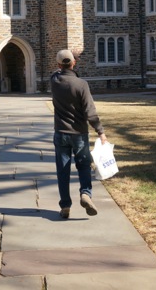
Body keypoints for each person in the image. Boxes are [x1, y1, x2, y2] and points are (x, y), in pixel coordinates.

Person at [50, 49, 108, 219]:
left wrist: (66, 60)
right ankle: (85, 194)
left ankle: (65, 205)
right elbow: (90, 112)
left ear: (59, 64)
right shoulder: (81, 84)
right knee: (83, 165)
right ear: (74, 63)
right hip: (79, 133)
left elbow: (57, 70)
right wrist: (100, 132)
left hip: (60, 133)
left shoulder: (54, 80)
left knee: (63, 170)